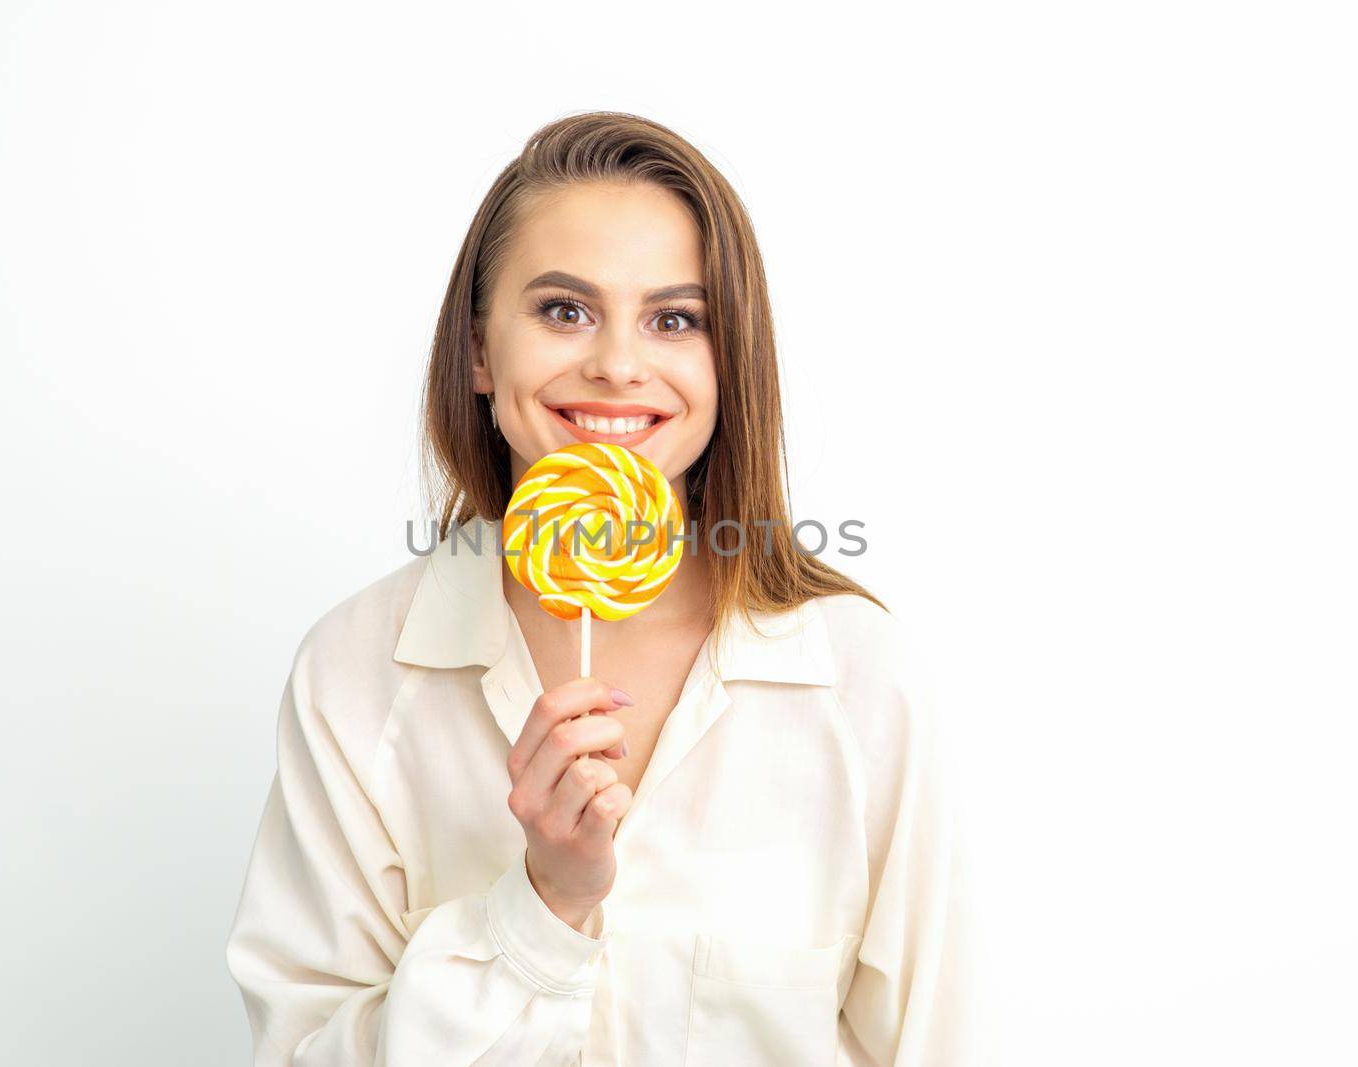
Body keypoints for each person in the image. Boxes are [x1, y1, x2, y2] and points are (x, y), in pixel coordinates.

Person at [225, 111, 987, 1066]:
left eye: (676, 319)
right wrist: (542, 907)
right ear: (476, 352)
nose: (619, 364)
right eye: (563, 309)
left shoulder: (861, 678)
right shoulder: (355, 672)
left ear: (728, 360)